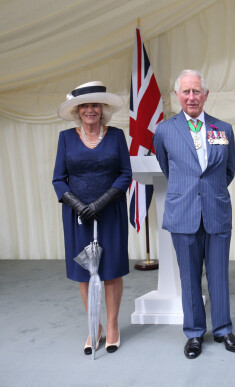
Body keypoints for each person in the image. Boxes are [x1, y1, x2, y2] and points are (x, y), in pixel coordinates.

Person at [153, 69, 235, 359]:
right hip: (183, 213)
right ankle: (193, 333)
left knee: (219, 275)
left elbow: (228, 170)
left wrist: (208, 192)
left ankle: (223, 329)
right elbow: (168, 169)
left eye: (196, 92)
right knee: (189, 277)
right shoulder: (165, 131)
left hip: (216, 211)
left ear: (206, 95)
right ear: (178, 95)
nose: (191, 97)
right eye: (186, 92)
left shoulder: (223, 129)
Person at [53, 81, 132, 355]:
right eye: (84, 105)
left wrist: (101, 202)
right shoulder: (65, 138)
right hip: (77, 216)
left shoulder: (117, 136)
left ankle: (111, 326)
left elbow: (125, 173)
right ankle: (93, 327)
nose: (90, 110)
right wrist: (78, 205)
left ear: (103, 108)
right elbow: (58, 180)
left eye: (94, 104)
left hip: (111, 212)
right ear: (77, 110)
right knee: (85, 272)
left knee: (110, 269)